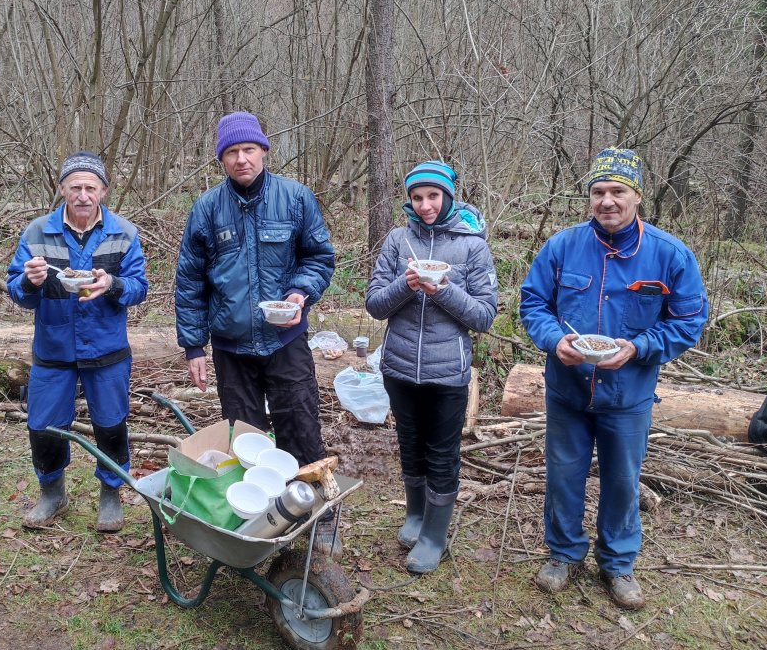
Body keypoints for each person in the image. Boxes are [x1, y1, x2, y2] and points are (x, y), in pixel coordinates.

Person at [520, 147, 707, 609]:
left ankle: (618, 564)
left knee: (623, 481)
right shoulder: (562, 246)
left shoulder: (669, 255)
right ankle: (563, 555)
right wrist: (552, 341)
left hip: (629, 395)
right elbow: (533, 304)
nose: (607, 200)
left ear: (637, 197)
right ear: (589, 198)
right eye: (598, 191)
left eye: (617, 191)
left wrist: (639, 348)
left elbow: (687, 322)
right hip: (567, 389)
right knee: (564, 477)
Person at [174, 112, 338, 553]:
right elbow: (190, 281)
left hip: (285, 340)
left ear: (264, 151)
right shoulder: (207, 209)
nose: (241, 159)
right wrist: (194, 345)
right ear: (222, 160)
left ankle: (321, 515)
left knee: (301, 427)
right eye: (231, 152)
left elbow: (319, 257)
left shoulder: (296, 198)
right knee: (246, 441)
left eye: (248, 150)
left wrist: (301, 292)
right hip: (231, 347)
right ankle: (263, 520)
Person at [365, 161, 498, 573]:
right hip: (400, 368)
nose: (424, 205)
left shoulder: (473, 246)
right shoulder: (397, 240)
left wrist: (442, 290)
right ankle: (416, 516)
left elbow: (483, 316)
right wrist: (404, 286)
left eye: (432, 196)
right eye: (417, 198)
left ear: (448, 197)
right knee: (410, 446)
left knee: (442, 454)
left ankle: (435, 536)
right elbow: (374, 305)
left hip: (448, 373)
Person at [7, 152, 148, 532]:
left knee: (111, 423)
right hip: (53, 349)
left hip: (107, 349)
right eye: (75, 187)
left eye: (90, 187)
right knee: (43, 424)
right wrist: (28, 282)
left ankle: (110, 494)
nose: (83, 195)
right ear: (62, 190)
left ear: (103, 190)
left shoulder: (124, 232)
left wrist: (113, 285)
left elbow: (139, 287)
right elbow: (15, 291)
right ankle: (52, 493)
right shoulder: (37, 232)